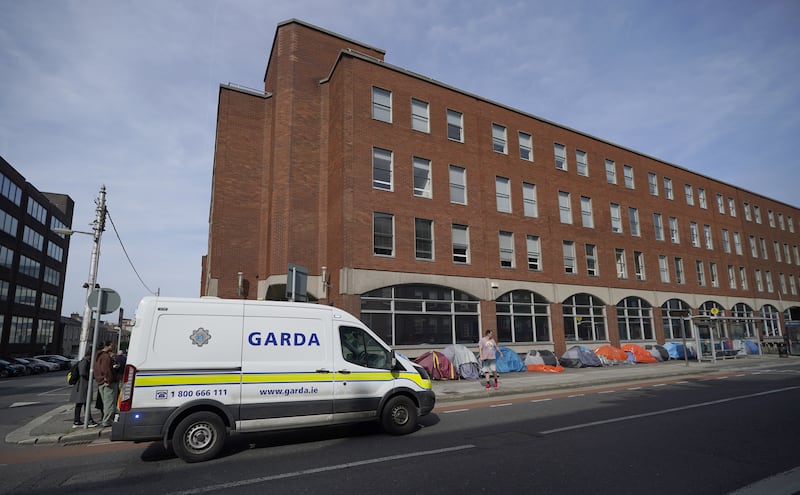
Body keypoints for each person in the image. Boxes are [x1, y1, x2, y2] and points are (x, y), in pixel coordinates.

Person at [69, 351, 98, 427]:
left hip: (81, 385)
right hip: (82, 385)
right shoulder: (85, 362)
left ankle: (78, 421)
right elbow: (82, 373)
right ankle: (87, 420)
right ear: (89, 356)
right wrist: (90, 376)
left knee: (80, 403)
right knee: (85, 402)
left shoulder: (83, 361)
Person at [93, 340, 117, 427]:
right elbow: (106, 369)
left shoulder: (97, 356)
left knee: (106, 403)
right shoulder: (106, 356)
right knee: (109, 403)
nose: (113, 347)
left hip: (100, 381)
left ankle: (107, 419)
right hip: (107, 382)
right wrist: (107, 379)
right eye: (112, 345)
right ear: (108, 345)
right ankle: (107, 421)